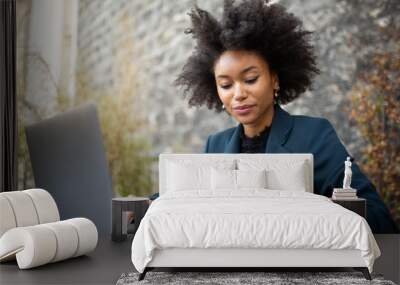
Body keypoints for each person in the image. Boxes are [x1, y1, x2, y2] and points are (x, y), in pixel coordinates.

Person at [151, 0, 398, 233]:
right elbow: (185, 194)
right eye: (226, 85)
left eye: (250, 79)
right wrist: (142, 206)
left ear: (275, 79)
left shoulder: (315, 136)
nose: (239, 94)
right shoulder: (215, 145)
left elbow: (377, 217)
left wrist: (314, 210)